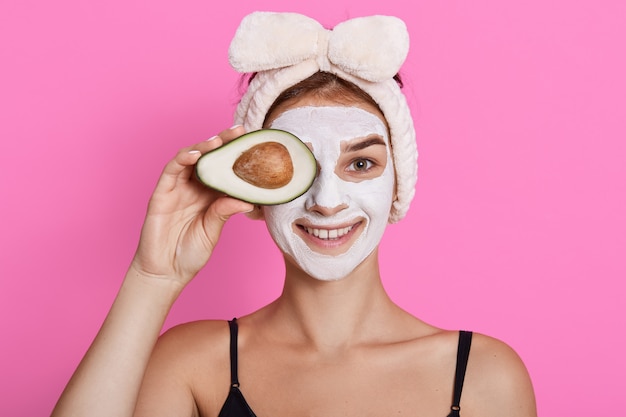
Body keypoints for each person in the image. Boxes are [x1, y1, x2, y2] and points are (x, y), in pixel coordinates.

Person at [52, 12, 536, 417]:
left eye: (361, 163)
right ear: (256, 191)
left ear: (396, 187)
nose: (327, 200)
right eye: (295, 167)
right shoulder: (194, 364)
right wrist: (153, 278)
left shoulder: (481, 377)